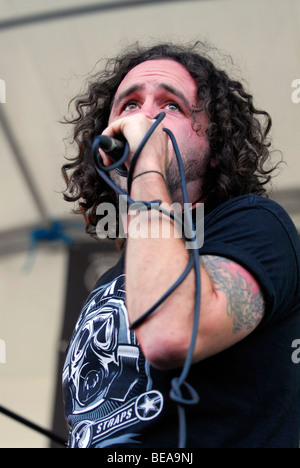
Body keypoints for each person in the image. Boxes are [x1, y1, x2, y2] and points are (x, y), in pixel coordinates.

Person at [61, 42, 300, 448]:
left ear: (212, 147)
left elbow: (171, 334)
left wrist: (146, 165)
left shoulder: (255, 224)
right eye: (129, 105)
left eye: (171, 105)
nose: (146, 115)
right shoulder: (109, 281)